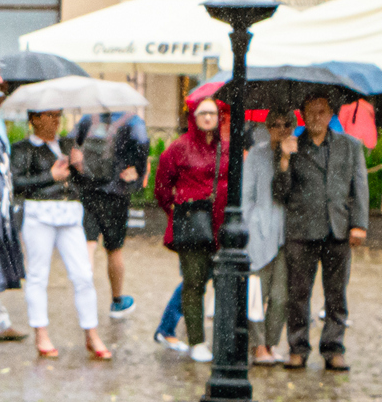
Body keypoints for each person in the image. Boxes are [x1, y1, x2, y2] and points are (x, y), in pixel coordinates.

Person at [278, 91, 370, 370]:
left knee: (336, 294)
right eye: (311, 112)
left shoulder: (349, 145)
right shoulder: (293, 146)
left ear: (331, 115)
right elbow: (280, 192)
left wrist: (359, 224)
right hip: (301, 229)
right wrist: (283, 160)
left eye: (322, 112)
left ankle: (333, 347)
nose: (316, 117)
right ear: (302, 115)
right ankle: (298, 347)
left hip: (337, 229)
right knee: (298, 294)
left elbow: (359, 186)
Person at [10, 108, 108, 360]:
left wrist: (81, 165)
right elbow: (16, 183)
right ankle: (41, 332)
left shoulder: (67, 144)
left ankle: (91, 332)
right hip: (39, 212)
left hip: (69, 212)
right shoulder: (23, 148)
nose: (55, 121)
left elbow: (90, 178)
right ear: (34, 118)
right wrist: (48, 177)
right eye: (49, 115)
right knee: (38, 275)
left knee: (83, 274)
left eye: (58, 115)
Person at [152, 96, 230, 362]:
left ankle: (224, 339)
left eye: (212, 113)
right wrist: (176, 211)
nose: (207, 118)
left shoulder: (226, 149)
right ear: (193, 117)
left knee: (225, 282)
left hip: (223, 227)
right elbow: (162, 188)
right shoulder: (179, 149)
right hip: (193, 225)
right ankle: (197, 340)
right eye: (202, 113)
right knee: (194, 282)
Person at [72, 107, 147, 318]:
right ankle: (117, 301)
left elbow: (70, 141)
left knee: (89, 243)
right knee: (114, 249)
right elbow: (143, 143)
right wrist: (138, 171)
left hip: (89, 190)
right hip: (117, 191)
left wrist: (78, 165)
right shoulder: (132, 121)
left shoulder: (89, 117)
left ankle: (84, 300)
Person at [242, 108, 294, 365]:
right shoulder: (256, 154)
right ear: (267, 126)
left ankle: (272, 343)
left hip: (287, 233)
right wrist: (248, 227)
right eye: (275, 124)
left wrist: (285, 160)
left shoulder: (298, 155)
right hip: (259, 230)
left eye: (287, 124)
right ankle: (258, 345)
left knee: (281, 296)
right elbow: (246, 196)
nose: (281, 129)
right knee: (255, 293)